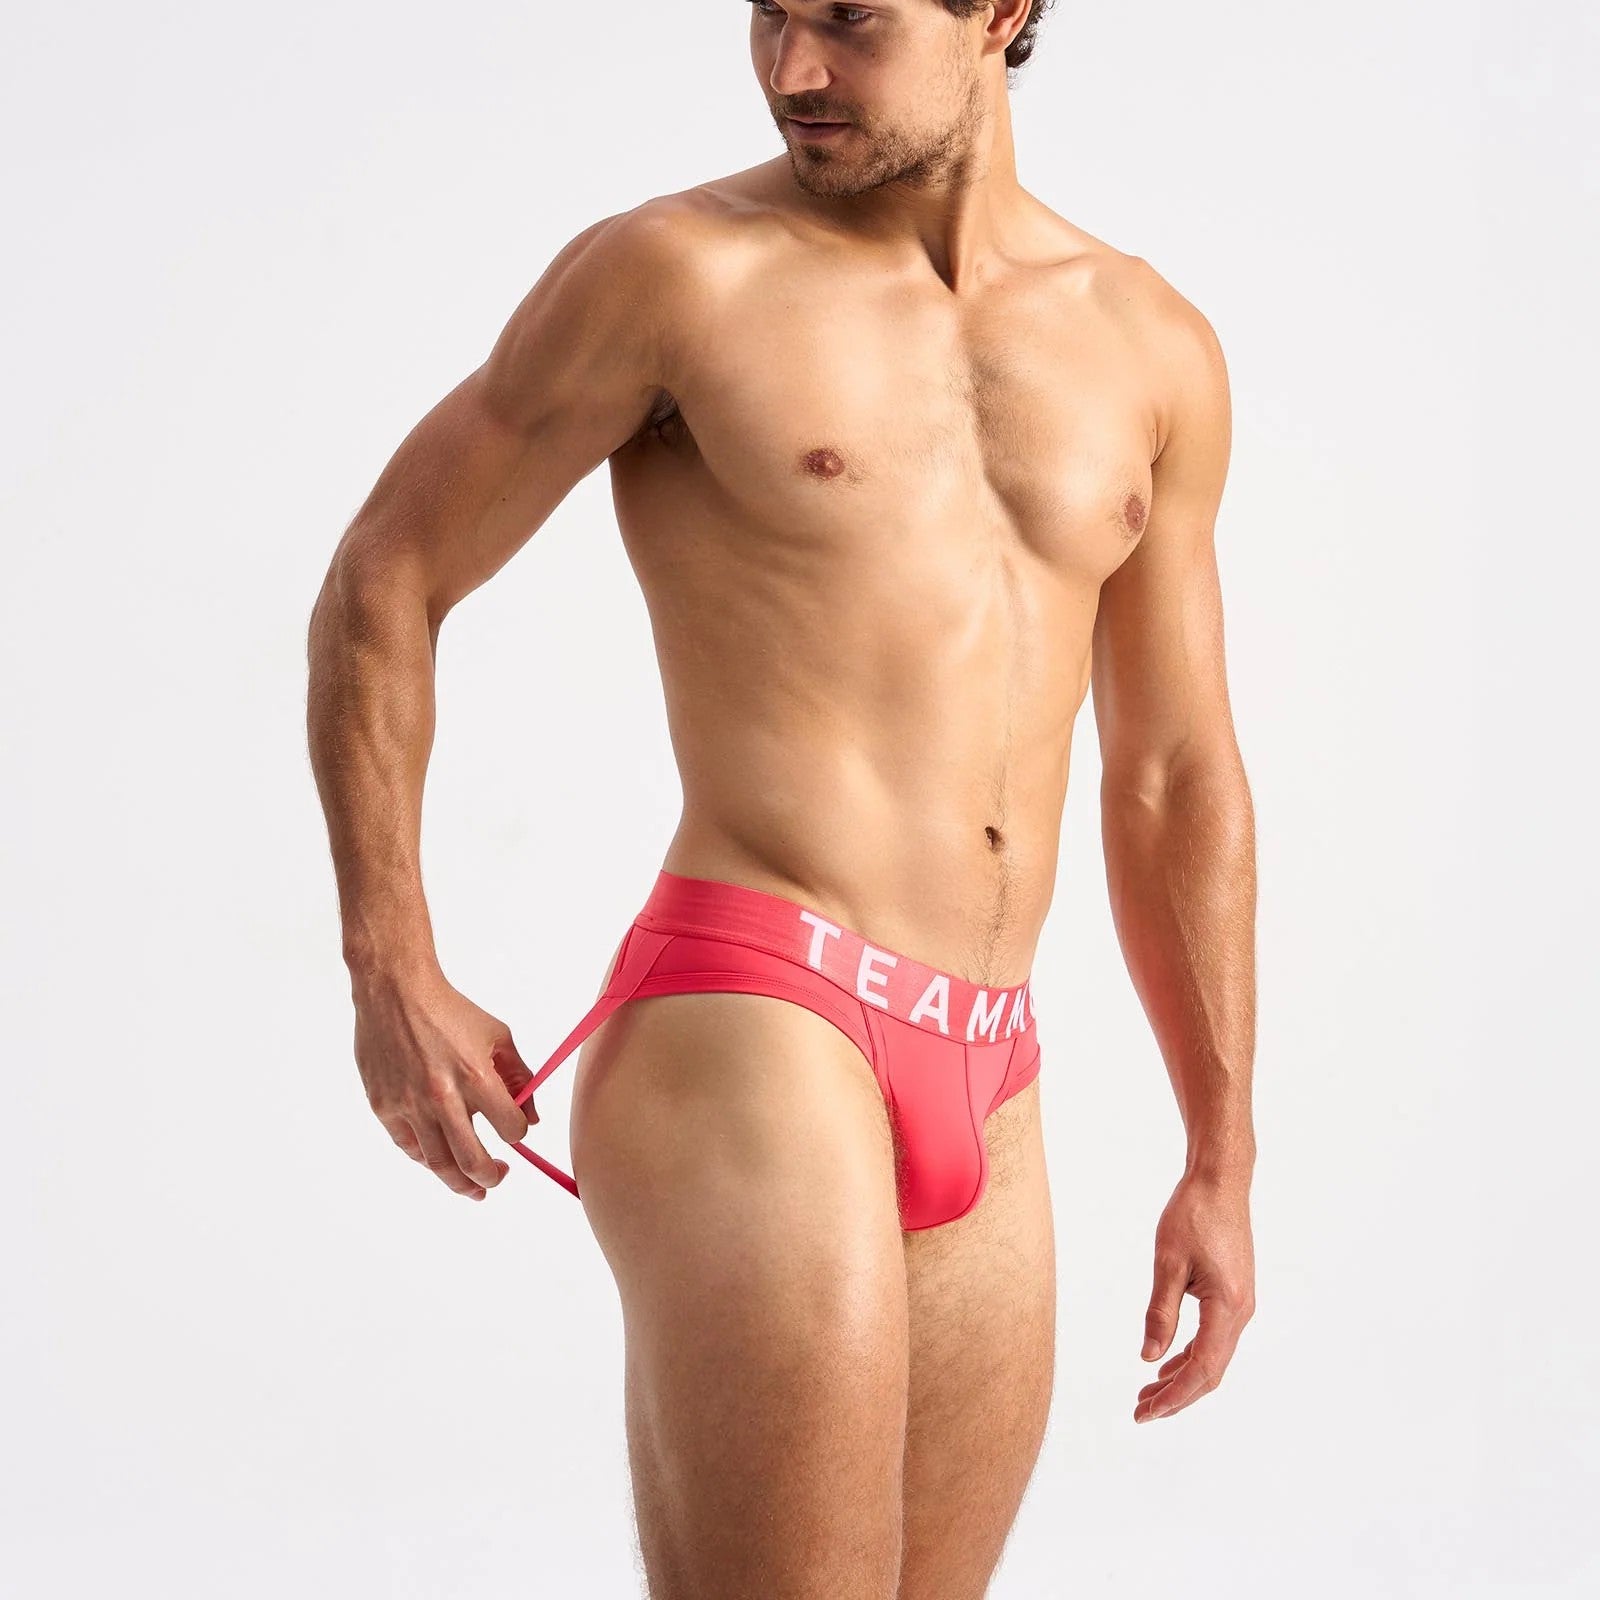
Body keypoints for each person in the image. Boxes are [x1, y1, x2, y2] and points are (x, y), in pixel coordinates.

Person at [305, 1, 1257, 1594]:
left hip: (992, 1062)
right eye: (769, 13)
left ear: (1002, 12)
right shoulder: (678, 275)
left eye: (850, 20)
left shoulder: (1149, 343)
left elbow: (1173, 774)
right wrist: (387, 958)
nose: (792, 70)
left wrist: (1221, 1155)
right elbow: (384, 576)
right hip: (758, 1012)